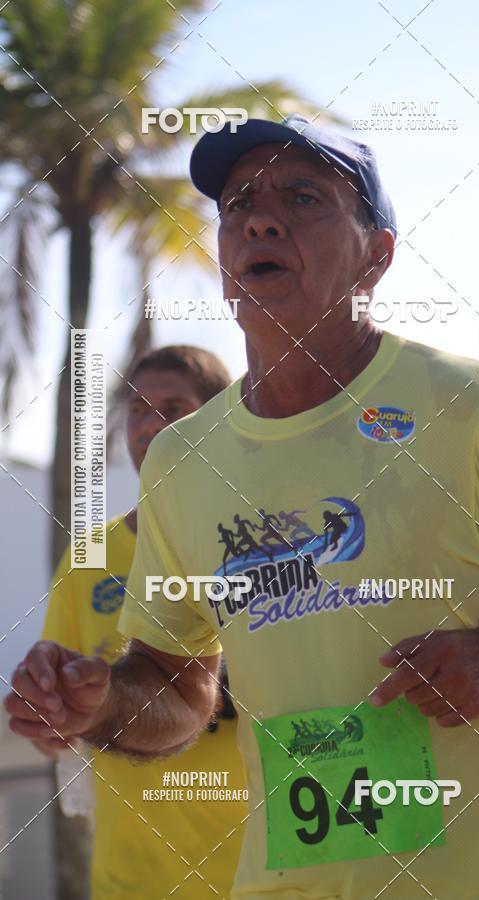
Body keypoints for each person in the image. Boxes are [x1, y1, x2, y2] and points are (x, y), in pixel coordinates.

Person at [6, 116, 479, 899]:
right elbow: (177, 688)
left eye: (304, 196)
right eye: (239, 201)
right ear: (224, 264)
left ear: (376, 255)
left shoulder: (466, 404)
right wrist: (98, 701)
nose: (260, 215)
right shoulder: (184, 462)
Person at [26, 345, 247, 899]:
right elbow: (59, 728)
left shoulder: (271, 541)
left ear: (219, 420)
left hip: (263, 878)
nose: (152, 425)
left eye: (173, 408)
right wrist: (50, 711)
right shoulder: (88, 560)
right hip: (130, 882)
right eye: (139, 408)